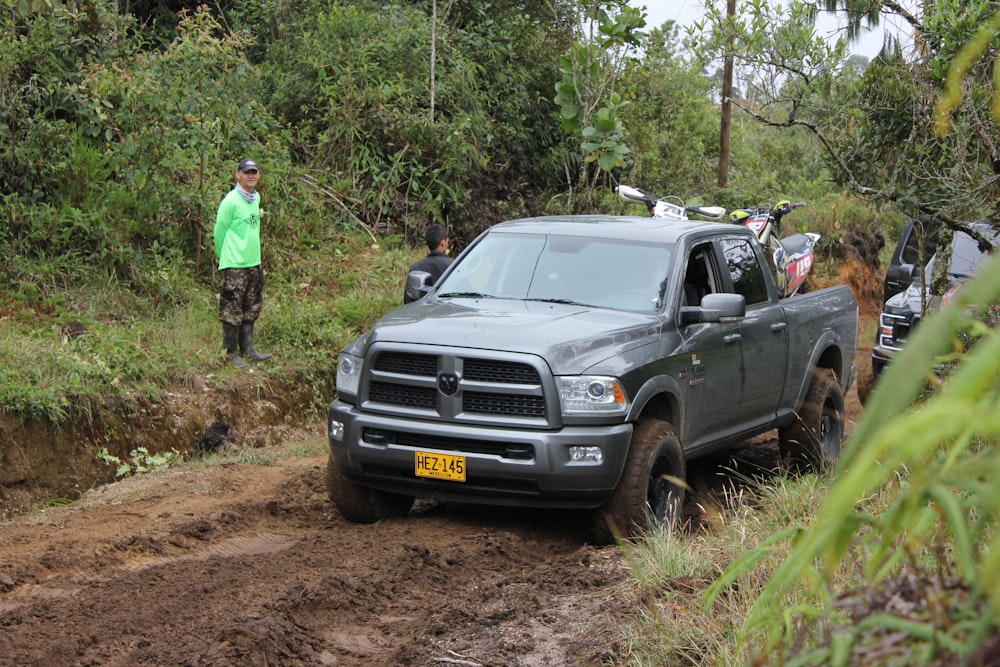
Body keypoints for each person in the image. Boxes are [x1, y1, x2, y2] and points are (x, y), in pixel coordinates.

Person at [214, 158, 272, 368]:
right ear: (238, 174)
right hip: (235, 263)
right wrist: (224, 257)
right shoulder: (230, 201)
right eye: (246, 172)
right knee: (232, 307)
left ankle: (248, 349)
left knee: (252, 305)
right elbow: (219, 232)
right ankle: (231, 353)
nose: (251, 175)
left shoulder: (255, 199)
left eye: (254, 172)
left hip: (253, 262)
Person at [403, 223, 453, 303]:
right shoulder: (453, 267)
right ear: (443, 242)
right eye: (447, 241)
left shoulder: (416, 268)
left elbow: (408, 301)